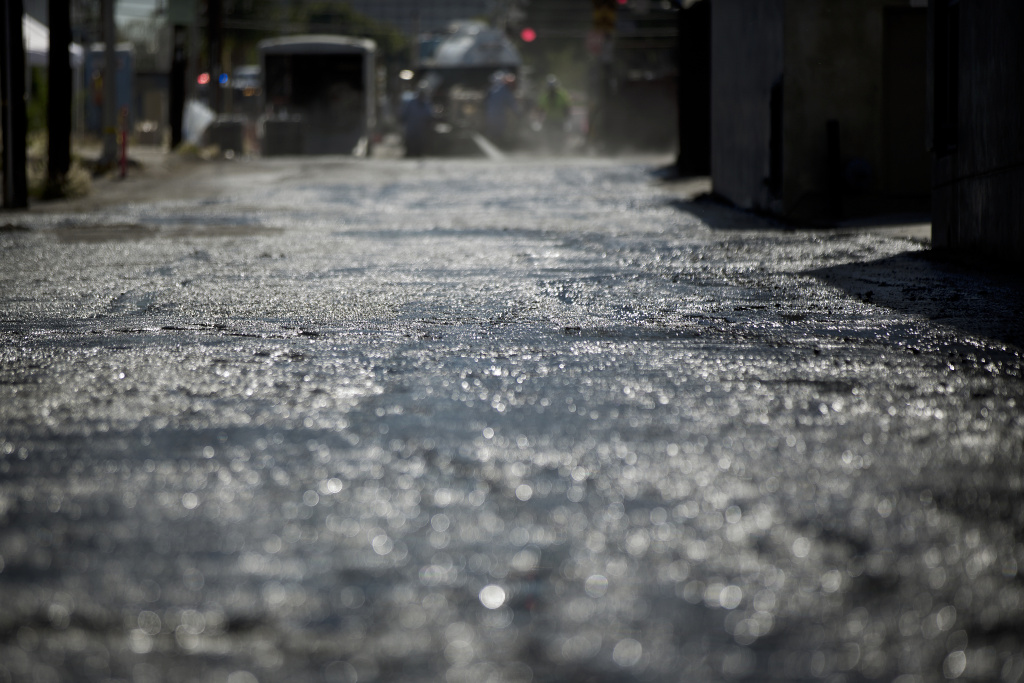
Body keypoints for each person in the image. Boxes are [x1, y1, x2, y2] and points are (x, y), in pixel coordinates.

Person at [483, 72, 519, 149]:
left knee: (492, 130)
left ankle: (492, 144)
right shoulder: (506, 91)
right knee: (499, 131)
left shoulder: (493, 88)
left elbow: (486, 100)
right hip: (499, 115)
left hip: (490, 114)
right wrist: (518, 114)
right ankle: (499, 146)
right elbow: (512, 105)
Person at [537, 75, 572, 152]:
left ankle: (559, 149)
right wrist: (539, 120)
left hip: (559, 120)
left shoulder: (561, 95)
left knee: (560, 136)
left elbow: (566, 108)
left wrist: (567, 118)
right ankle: (552, 149)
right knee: (548, 136)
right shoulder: (545, 96)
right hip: (550, 120)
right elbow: (541, 109)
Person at [400, 85, 433, 157]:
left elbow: (429, 116)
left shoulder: (426, 104)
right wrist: (403, 121)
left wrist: (428, 124)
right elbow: (405, 113)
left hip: (421, 128)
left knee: (420, 141)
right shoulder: (411, 103)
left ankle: (418, 153)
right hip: (411, 127)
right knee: (409, 140)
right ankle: (409, 153)